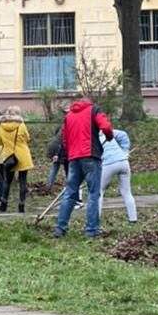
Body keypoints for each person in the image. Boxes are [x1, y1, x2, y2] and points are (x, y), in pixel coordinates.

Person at [53, 99, 114, 238]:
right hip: (91, 156)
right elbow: (105, 127)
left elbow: (64, 138)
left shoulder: (68, 116)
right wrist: (109, 136)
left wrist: (71, 152)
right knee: (93, 193)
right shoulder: (94, 110)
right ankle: (91, 230)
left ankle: (60, 228)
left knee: (70, 193)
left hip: (73, 158)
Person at [0, 106, 34, 213]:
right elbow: (27, 138)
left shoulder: (0, 127)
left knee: (7, 181)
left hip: (9, 157)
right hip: (23, 156)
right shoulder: (21, 126)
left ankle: (3, 205)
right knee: (22, 181)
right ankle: (21, 206)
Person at [98, 127, 137, 224]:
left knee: (98, 192)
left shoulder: (90, 137)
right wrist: (125, 152)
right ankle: (133, 219)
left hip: (108, 164)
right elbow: (123, 134)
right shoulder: (105, 132)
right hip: (123, 162)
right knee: (127, 192)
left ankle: (95, 220)